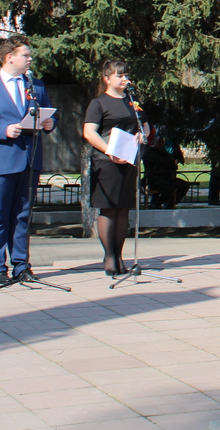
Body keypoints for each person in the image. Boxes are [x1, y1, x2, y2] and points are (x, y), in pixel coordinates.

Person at [0, 36, 55, 285]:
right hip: (1, 161)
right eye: (25, 55)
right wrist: (1, 131)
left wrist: (48, 124)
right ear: (9, 57)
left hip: (29, 159)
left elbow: (49, 116)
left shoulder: (36, 86)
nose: (30, 59)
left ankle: (21, 265)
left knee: (22, 216)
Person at [81, 59, 141, 277]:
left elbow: (144, 125)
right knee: (108, 208)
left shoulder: (132, 101)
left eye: (126, 75)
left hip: (128, 160)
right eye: (119, 76)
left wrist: (143, 133)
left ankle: (119, 254)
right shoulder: (99, 103)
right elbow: (89, 132)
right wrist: (109, 151)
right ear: (107, 79)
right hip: (106, 162)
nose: (124, 79)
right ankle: (109, 256)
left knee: (123, 208)